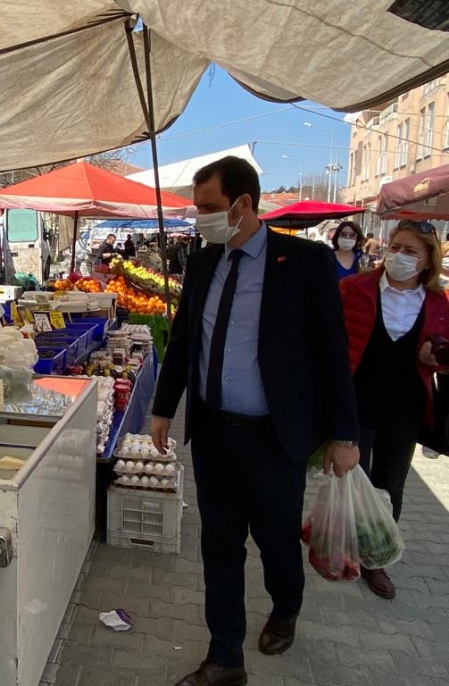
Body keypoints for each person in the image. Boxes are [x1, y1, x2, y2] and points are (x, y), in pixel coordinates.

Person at [150, 156, 360, 686]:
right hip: (214, 435)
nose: (200, 217)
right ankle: (225, 658)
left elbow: (331, 353)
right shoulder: (204, 262)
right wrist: (162, 408)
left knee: (275, 541)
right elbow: (184, 341)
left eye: (209, 207)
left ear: (243, 204)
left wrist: (344, 434)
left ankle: (285, 608)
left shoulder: (305, 262)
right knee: (219, 548)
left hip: (275, 438)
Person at [339, 219, 449, 599]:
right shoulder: (354, 289)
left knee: (390, 485)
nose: (399, 255)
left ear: (427, 260)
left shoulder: (438, 303)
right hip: (357, 403)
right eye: (395, 247)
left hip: (406, 410)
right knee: (353, 480)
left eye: (410, 251)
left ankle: (376, 557)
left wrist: (436, 357)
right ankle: (343, 542)